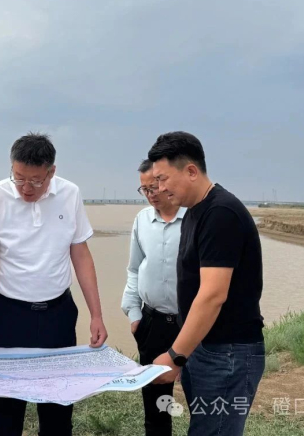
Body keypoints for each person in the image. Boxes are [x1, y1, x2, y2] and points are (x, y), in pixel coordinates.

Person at [0, 132, 108, 436]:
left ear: (51, 172)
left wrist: (96, 314)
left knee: (58, 409)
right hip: (7, 315)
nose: (26, 188)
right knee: (5, 412)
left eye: (35, 180)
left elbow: (81, 255)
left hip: (57, 315)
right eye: (18, 178)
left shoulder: (70, 194)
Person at [148, 132, 265, 436]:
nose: (159, 188)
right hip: (205, 349)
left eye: (163, 179)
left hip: (227, 354)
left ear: (191, 171)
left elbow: (213, 295)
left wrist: (175, 355)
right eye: (155, 181)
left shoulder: (220, 213)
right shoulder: (194, 212)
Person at [121, 159, 186, 436]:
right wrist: (134, 314)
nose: (150, 194)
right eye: (144, 189)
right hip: (152, 323)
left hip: (191, 323)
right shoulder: (142, 220)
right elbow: (134, 268)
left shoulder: (194, 218)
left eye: (154, 187)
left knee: (201, 394)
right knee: (157, 403)